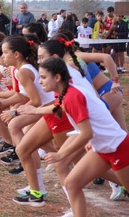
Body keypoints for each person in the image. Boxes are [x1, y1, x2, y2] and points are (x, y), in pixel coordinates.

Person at [40, 57, 129, 217]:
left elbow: (86, 132)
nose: (40, 82)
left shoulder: (72, 96)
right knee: (72, 184)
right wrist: (91, 142)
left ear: (58, 77)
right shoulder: (68, 92)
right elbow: (88, 126)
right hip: (102, 148)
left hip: (117, 147)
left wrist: (61, 154)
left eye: (44, 77)